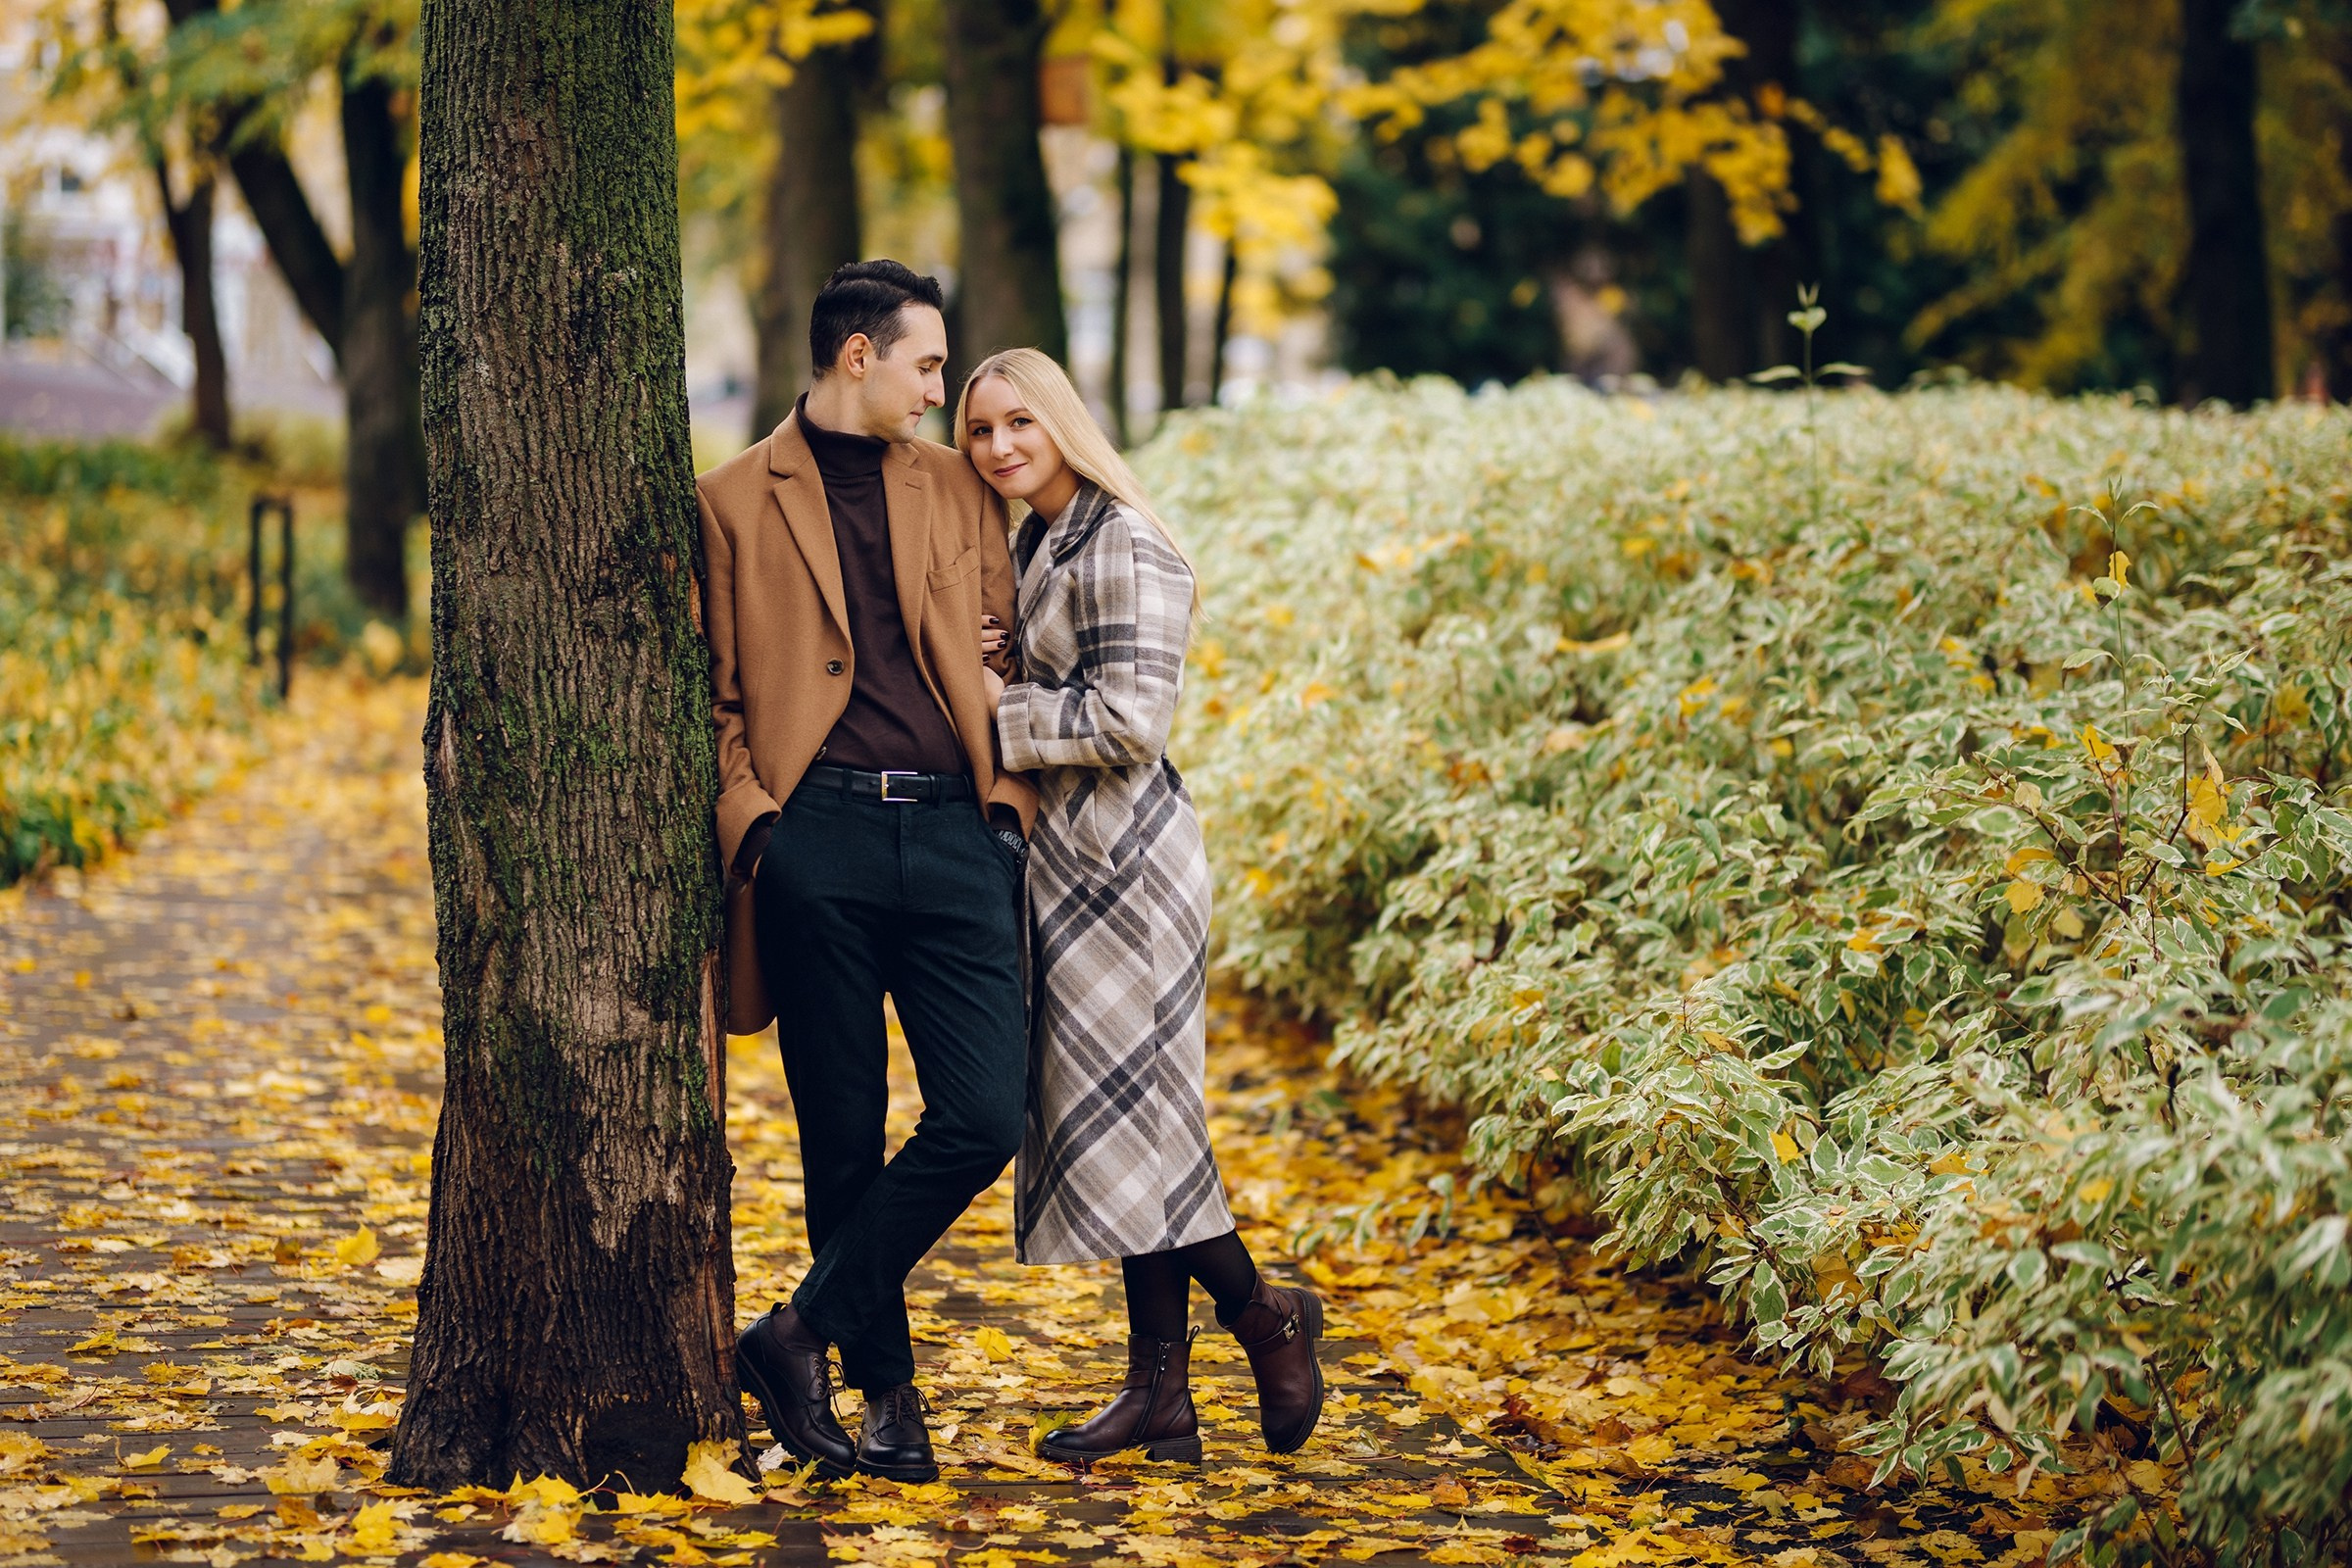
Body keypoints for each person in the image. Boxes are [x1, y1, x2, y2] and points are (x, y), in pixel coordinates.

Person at [955, 348, 1327, 1468]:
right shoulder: (1040, 539)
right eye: (980, 431)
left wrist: (999, 701)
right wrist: (1009, 647)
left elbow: (1129, 721)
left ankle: (1264, 1315)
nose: (1001, 446)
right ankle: (1159, 1394)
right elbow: (1072, 668)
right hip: (1067, 867)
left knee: (1147, 1122)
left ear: (1064, 419)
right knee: (1120, 1123)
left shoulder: (1127, 539)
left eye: (1021, 421)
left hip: (1132, 868)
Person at [698, 261, 1038, 1485]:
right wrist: (759, 829)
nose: (944, 390)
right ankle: (889, 1399)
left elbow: (999, 651)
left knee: (984, 1113)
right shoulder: (733, 500)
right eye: (929, 364)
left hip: (954, 836)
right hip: (816, 843)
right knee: (840, 1134)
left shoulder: (955, 489)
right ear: (858, 355)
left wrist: (1003, 813)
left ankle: (793, 1336)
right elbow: (717, 698)